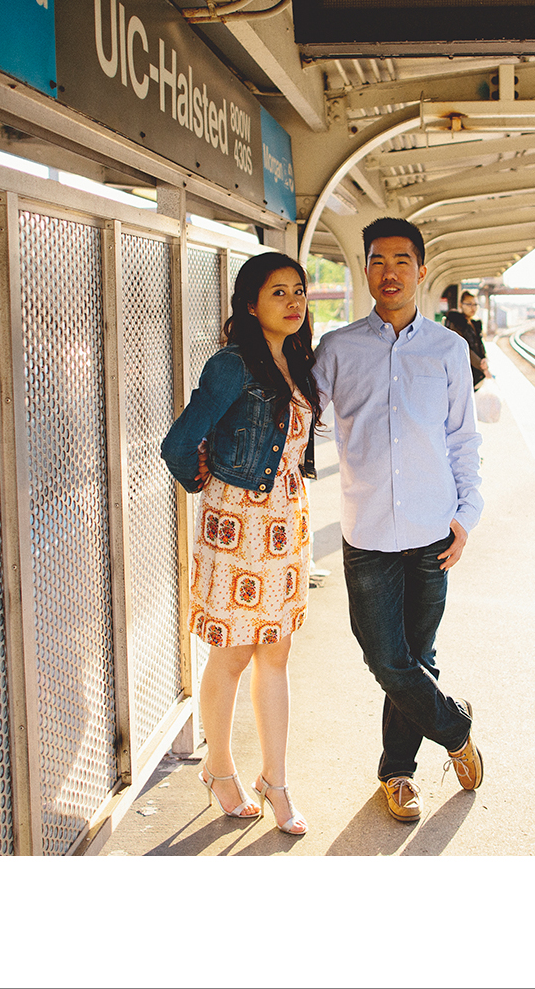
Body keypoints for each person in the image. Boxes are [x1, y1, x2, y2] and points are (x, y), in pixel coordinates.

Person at [313, 218, 484, 824]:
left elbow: (463, 438)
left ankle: (398, 774)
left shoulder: (447, 349)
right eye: (379, 261)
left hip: (434, 531)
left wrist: (467, 515)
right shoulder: (336, 349)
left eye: (402, 261)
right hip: (367, 535)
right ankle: (453, 726)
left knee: (419, 656)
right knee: (388, 658)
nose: (390, 272)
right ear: (365, 269)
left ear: (420, 271)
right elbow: (295, 416)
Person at [161, 252, 318, 835]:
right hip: (238, 524)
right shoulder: (232, 364)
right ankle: (220, 767)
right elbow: (180, 441)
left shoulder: (299, 362)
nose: (294, 301)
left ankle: (275, 780)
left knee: (276, 651)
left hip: (286, 521)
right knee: (231, 652)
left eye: (299, 291)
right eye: (279, 293)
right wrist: (207, 479)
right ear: (250, 305)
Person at [442, 287, 490, 388]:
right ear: (460, 305)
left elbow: (480, 344)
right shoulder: (456, 323)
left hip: (475, 372)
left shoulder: (474, 324)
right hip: (463, 372)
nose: (473, 308)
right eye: (469, 304)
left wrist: (485, 358)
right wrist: (481, 365)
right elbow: (463, 348)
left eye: (475, 304)